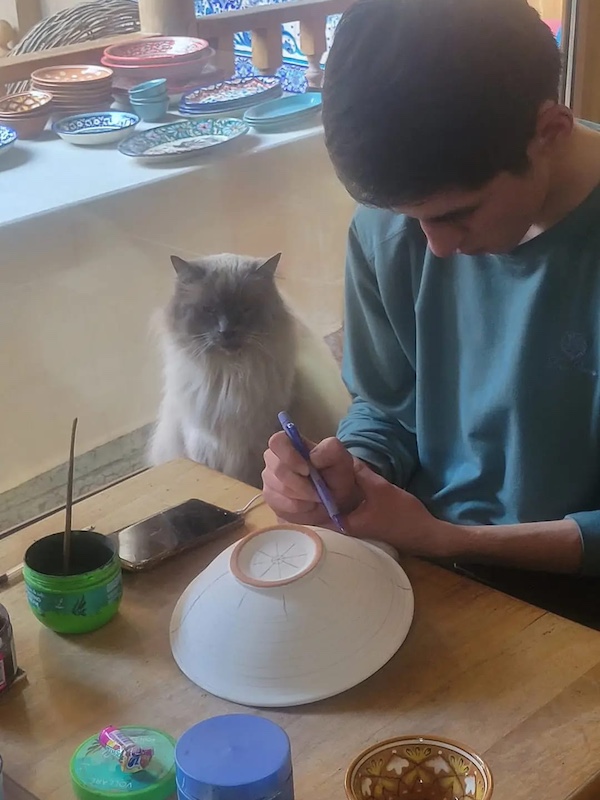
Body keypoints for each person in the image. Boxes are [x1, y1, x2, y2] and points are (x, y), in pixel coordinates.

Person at [262, 0, 600, 625]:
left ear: (550, 131)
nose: (438, 249)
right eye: (409, 218)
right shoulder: (387, 231)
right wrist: (349, 472)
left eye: (455, 214)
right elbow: (388, 409)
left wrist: (451, 540)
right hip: (423, 566)